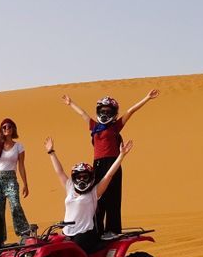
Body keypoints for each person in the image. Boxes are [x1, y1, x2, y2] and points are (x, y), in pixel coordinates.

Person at [60, 89, 159, 234]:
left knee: (113, 198)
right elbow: (83, 114)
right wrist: (70, 103)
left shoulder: (115, 127)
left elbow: (130, 111)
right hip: (97, 166)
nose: (105, 113)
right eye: (102, 110)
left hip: (113, 163)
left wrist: (147, 98)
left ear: (113, 112)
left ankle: (112, 230)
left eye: (108, 110)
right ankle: (96, 229)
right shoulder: (94, 127)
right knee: (96, 199)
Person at [42, 136, 134, 253]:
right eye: (78, 177)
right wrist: (51, 152)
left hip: (85, 234)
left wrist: (121, 156)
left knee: (74, 254)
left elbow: (108, 175)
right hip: (66, 233)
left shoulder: (94, 193)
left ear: (90, 178)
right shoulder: (69, 187)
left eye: (85, 177)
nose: (81, 180)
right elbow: (59, 172)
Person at [0, 117, 30, 241]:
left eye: (9, 127)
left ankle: (24, 232)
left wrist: (25, 183)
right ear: (1, 130)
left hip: (11, 179)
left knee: (15, 205)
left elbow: (21, 165)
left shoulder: (19, 146)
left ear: (13, 129)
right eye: (4, 127)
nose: (6, 129)